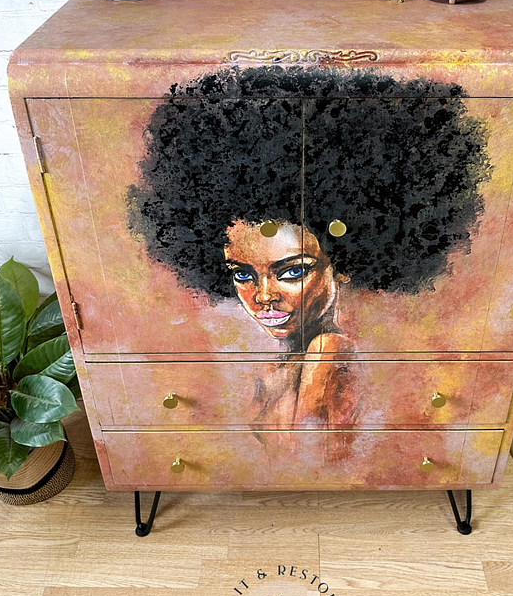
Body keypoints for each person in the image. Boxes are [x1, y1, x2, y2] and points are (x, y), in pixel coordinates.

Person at [129, 65, 491, 428]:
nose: (264, 296)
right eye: (243, 274)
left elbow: (300, 464)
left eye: (292, 271)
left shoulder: (326, 354)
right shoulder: (290, 362)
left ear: (345, 260)